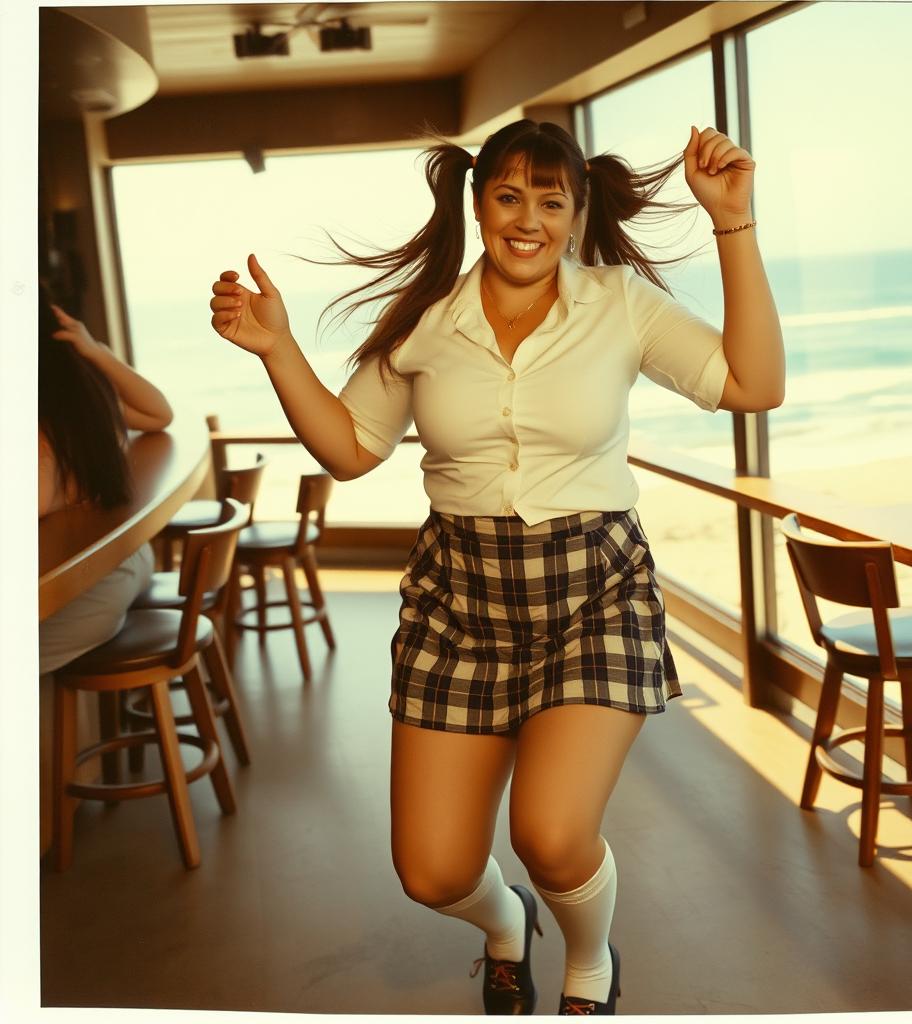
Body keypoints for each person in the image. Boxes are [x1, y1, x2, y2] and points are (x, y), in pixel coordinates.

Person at [209, 120, 784, 1015]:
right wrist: (278, 351)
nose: (529, 221)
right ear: (478, 204)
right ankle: (505, 922)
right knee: (431, 871)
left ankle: (591, 962)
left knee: (553, 835)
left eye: (551, 202)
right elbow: (352, 450)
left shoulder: (620, 303)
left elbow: (754, 385)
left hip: (595, 591)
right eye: (509, 197)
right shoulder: (426, 319)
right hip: (459, 602)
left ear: (577, 212)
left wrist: (734, 226)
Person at [38, 292, 174, 674]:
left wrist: (95, 351)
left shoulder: (42, 415)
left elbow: (160, 414)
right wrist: (96, 351)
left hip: (84, 600)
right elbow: (158, 413)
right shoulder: (85, 397)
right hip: (130, 564)